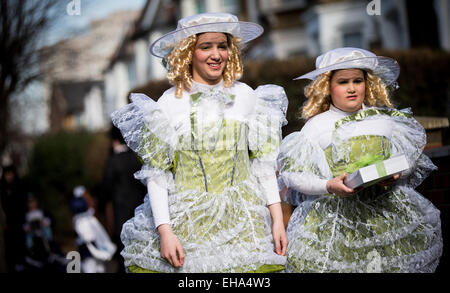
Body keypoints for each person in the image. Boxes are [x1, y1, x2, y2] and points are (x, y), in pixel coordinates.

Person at [111, 12, 288, 273]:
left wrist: (276, 219)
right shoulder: (168, 105)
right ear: (189, 51)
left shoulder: (247, 97)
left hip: (244, 221)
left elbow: (262, 166)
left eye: (222, 46)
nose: (216, 54)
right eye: (206, 46)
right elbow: (157, 175)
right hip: (187, 224)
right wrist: (165, 232)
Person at [278, 47, 443, 273]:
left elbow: (406, 158)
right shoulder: (316, 127)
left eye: (358, 80)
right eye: (343, 82)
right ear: (327, 87)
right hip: (337, 221)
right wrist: (327, 185)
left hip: (387, 215)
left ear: (368, 83)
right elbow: (293, 175)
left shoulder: (383, 121)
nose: (352, 88)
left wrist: (395, 174)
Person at [100, 125, 147, 272]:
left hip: (121, 212)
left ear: (114, 140)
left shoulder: (113, 161)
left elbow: (105, 189)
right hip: (141, 209)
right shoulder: (137, 157)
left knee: (124, 252)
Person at [70, 185, 117, 273]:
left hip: (95, 247)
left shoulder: (88, 218)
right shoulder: (80, 220)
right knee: (90, 267)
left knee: (99, 267)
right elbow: (87, 237)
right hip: (88, 251)